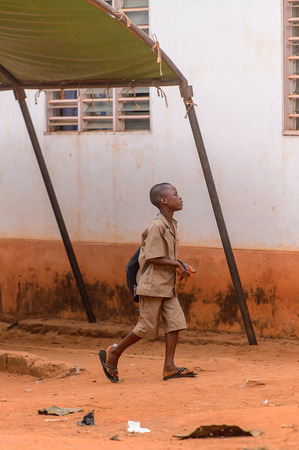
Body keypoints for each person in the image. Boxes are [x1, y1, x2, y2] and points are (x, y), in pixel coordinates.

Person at [99, 182, 198, 382]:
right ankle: (115, 352)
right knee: (145, 328)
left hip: (166, 286)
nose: (180, 198)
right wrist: (177, 265)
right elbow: (153, 257)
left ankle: (169, 367)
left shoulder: (172, 225)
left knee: (175, 323)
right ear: (164, 201)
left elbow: (165, 256)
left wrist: (181, 263)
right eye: (176, 194)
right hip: (152, 286)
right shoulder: (156, 227)